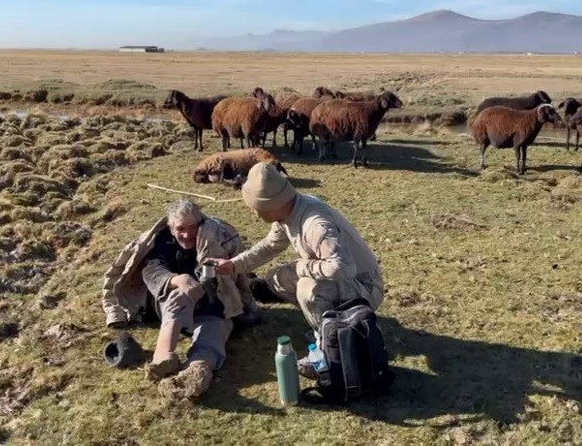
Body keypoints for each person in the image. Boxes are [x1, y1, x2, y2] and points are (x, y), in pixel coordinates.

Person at [209, 162, 384, 378]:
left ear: (270, 205)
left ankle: (329, 349)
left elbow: (343, 267)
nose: (253, 212)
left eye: (254, 207)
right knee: (276, 279)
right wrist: (233, 265)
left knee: (307, 288)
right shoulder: (289, 211)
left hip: (365, 288)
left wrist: (303, 267)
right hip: (344, 280)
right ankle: (330, 325)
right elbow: (269, 246)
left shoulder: (315, 224)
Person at [101, 199, 257, 399]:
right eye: (180, 229)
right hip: (172, 304)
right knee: (180, 295)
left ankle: (197, 371)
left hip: (213, 305)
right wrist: (176, 279)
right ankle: (163, 357)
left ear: (200, 224)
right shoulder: (162, 240)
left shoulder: (216, 238)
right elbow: (151, 270)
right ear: (171, 227)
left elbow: (239, 273)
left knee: (215, 329)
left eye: (192, 227)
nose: (187, 234)